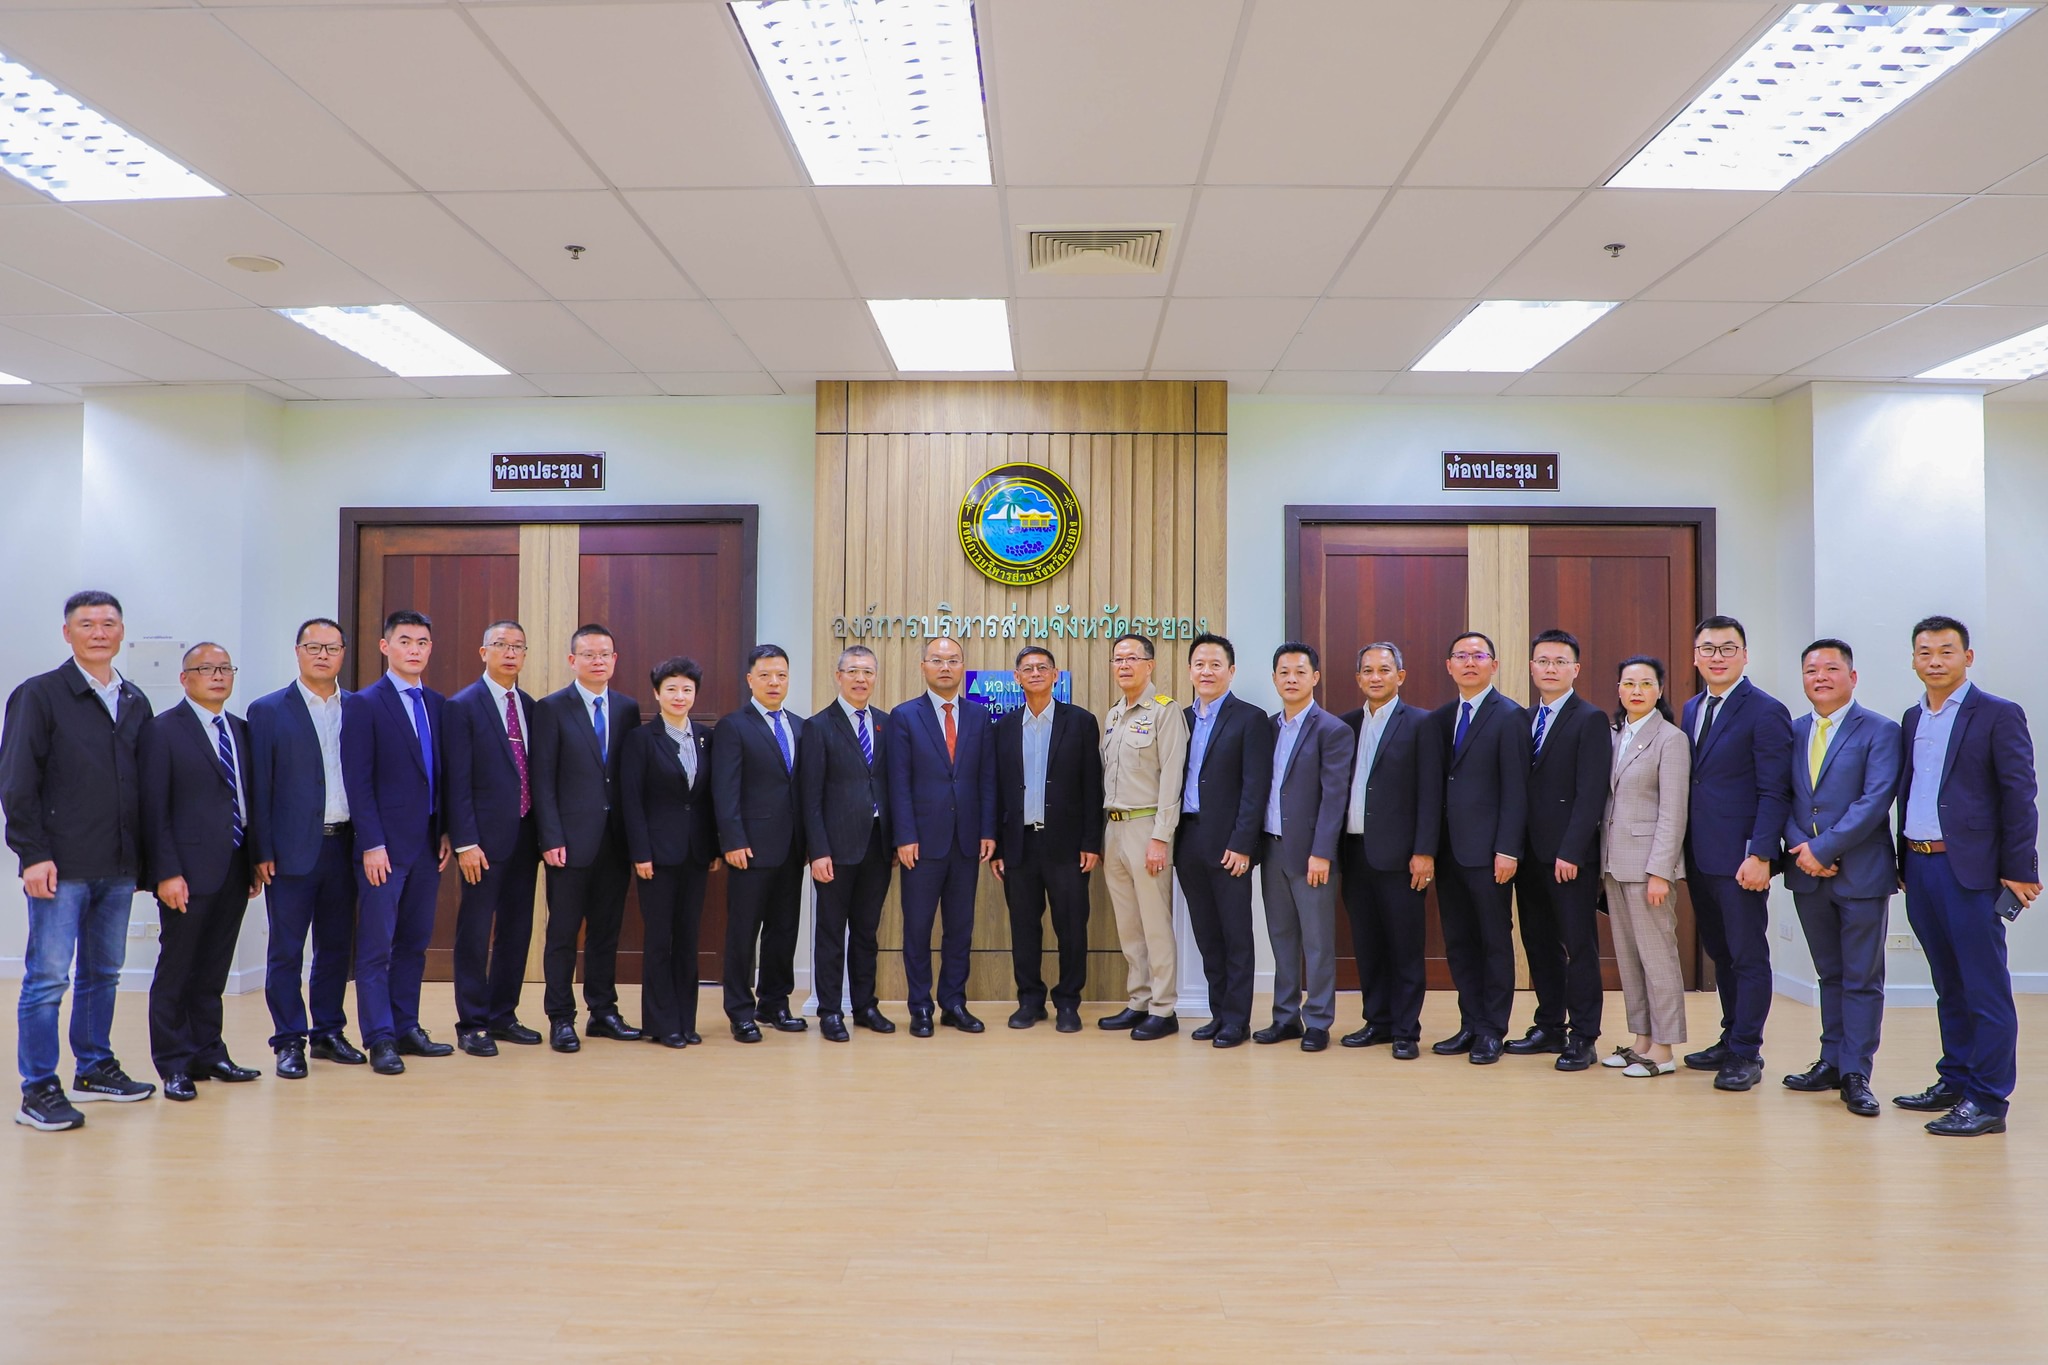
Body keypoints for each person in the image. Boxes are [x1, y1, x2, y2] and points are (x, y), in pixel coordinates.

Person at [2, 590, 157, 1131]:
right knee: (48, 978)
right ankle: (38, 1088)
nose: (98, 632)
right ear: (67, 633)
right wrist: (32, 854)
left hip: (118, 865)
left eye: (108, 623)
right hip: (60, 866)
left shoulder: (134, 699)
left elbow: (142, 784)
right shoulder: (40, 694)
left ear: (121, 632)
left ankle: (93, 1068)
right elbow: (17, 781)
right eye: (86, 624)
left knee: (103, 973)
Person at [1893, 616, 2040, 1137]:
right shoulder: (1913, 717)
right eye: (1925, 652)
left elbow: (2020, 795)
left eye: (1946, 651)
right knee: (1948, 983)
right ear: (1913, 659)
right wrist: (1903, 863)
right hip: (1920, 866)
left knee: (1984, 987)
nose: (1935, 661)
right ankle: (1955, 1079)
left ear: (1968, 657)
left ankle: (1988, 1099)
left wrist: (2019, 869)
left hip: (1972, 871)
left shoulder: (1998, 714)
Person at [1779, 639, 1901, 1118]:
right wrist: (1801, 848)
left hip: (1861, 873)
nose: (1821, 677)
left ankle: (1856, 1073)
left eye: (1831, 669)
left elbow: (1875, 800)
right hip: (1807, 872)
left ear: (1853, 677)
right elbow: (1782, 797)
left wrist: (1823, 849)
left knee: (1862, 977)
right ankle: (1830, 1061)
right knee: (1829, 973)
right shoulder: (1793, 731)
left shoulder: (1880, 731)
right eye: (1812, 670)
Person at [141, 643, 266, 1101]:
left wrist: (254, 858)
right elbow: (153, 809)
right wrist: (166, 872)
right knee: (178, 968)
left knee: (214, 968)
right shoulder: (162, 731)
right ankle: (174, 1063)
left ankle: (209, 1053)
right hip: (186, 872)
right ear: (185, 678)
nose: (217, 676)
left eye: (224, 668)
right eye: (206, 668)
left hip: (234, 864)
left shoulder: (241, 729)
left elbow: (249, 800)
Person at [1679, 614, 1793, 1093]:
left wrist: (1762, 854)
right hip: (1700, 855)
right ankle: (1730, 1037)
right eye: (1708, 648)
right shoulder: (1691, 708)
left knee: (1747, 955)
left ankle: (1747, 1052)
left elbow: (1775, 790)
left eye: (1728, 648)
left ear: (1745, 655)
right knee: (1721, 952)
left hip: (1743, 858)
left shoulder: (1766, 711)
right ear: (1695, 657)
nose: (1717, 657)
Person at [249, 618, 366, 1078]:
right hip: (290, 851)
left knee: (335, 948)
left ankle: (328, 1033)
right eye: (313, 647)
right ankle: (288, 1040)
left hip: (345, 846)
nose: (323, 655)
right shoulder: (268, 710)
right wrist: (260, 851)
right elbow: (258, 786)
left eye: (331, 648)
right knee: (286, 951)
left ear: (343, 654)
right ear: (297, 651)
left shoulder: (358, 708)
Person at [340, 609, 454, 1076]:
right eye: (405, 641)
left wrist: (446, 829)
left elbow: (441, 775)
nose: (414, 649)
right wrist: (371, 843)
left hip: (427, 845)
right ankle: (380, 1038)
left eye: (422, 642)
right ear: (385, 647)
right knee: (376, 948)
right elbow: (358, 780)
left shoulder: (438, 704)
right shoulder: (365, 704)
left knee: (414, 943)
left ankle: (407, 1026)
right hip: (383, 850)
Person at [532, 623, 644, 1051]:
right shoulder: (552, 708)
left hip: (614, 841)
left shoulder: (628, 708)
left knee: (606, 932)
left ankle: (603, 1012)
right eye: (589, 654)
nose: (598, 661)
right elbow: (543, 780)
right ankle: (561, 1017)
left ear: (615, 660)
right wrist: (550, 837)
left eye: (605, 654)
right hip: (568, 842)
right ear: (572, 660)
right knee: (562, 934)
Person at [1513, 629, 1613, 1071]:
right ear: (1531, 667)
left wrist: (1571, 851)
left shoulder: (1589, 719)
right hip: (1528, 854)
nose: (1549, 668)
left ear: (1575, 668)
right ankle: (1549, 1025)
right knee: (1538, 943)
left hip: (1569, 857)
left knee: (1579, 946)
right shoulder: (1522, 719)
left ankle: (1584, 1035)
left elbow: (1591, 793)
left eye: (1559, 661)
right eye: (1542, 661)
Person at [887, 636, 996, 1037]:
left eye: (952, 660)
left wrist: (987, 830)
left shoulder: (979, 716)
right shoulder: (904, 716)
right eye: (937, 660)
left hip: (966, 841)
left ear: (962, 666)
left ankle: (953, 1003)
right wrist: (904, 836)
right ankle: (920, 1007)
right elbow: (898, 782)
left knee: (960, 928)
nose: (945, 667)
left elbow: (987, 778)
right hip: (920, 843)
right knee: (917, 928)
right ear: (923, 667)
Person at [443, 620, 543, 1057]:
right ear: (483, 652)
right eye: (501, 645)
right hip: (482, 842)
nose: (510, 652)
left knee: (516, 930)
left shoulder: (530, 706)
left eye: (518, 646)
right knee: (475, 930)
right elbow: (456, 781)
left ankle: (504, 1014)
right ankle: (472, 1023)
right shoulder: (463, 705)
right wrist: (465, 842)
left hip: (525, 835)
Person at [1429, 631, 1530, 1066]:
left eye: (1479, 656)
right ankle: (1469, 1022)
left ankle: (1492, 1030)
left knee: (1493, 940)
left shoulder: (1509, 716)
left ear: (1495, 665)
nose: (1469, 663)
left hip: (1490, 853)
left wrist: (1508, 849)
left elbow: (1516, 790)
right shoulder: (1441, 718)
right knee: (1459, 941)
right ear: (1449, 665)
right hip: (1449, 851)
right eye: (1461, 656)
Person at [992, 646, 1103, 1034]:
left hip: (1068, 846)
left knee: (1071, 927)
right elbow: (996, 791)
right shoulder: (1003, 728)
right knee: (1024, 927)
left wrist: (1092, 842)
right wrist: (998, 846)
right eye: (1028, 668)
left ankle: (1068, 1002)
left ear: (1056, 675)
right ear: (1017, 678)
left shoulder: (1081, 722)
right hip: (1019, 845)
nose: (1036, 673)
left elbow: (1093, 786)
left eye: (1043, 667)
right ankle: (1030, 1000)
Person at [1336, 643, 1440, 1061]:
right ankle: (1377, 1021)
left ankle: (1405, 1030)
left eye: (1384, 669)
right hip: (1354, 852)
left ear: (1401, 675)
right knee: (1368, 943)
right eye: (1367, 670)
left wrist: (1424, 851)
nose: (1375, 677)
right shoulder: (1345, 725)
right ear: (1358, 678)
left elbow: (1430, 793)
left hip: (1401, 857)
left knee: (1405, 945)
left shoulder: (1421, 723)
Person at [1256, 643, 1353, 1053]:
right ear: (1274, 679)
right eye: (1284, 672)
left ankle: (1317, 1020)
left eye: (1299, 671)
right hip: (1271, 848)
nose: (1291, 679)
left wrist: (1323, 852)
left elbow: (1334, 798)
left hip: (1312, 853)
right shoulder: (1267, 727)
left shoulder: (1332, 730)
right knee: (1281, 938)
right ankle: (1285, 1017)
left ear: (1315, 677)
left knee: (1317, 942)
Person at [1176, 633, 1272, 1048]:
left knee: (1236, 936)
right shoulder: (1180, 718)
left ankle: (1237, 1020)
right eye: (1199, 664)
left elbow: (1255, 787)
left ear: (1231, 672)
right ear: (1189, 671)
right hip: (1188, 839)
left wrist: (1243, 843)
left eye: (1215, 664)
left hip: (1230, 844)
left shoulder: (1250, 718)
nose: (1207, 671)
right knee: (1207, 934)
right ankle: (1218, 1014)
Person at [1600, 656, 1691, 1079]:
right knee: (1630, 958)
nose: (1636, 691)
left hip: (1647, 867)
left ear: (1660, 690)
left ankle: (1665, 1049)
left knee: (1658, 958)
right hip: (1614, 863)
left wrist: (1660, 871)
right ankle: (1641, 1040)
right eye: (1628, 683)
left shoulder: (1670, 739)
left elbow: (1673, 811)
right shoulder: (1615, 734)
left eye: (1646, 683)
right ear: (1619, 689)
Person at [622, 657, 720, 1048]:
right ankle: (661, 1024)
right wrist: (640, 853)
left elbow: (709, 799)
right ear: (657, 693)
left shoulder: (706, 737)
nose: (680, 696)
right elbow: (632, 801)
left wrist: (713, 847)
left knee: (688, 938)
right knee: (659, 940)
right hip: (656, 856)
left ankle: (685, 1020)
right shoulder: (641, 739)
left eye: (687, 689)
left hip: (696, 854)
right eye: (672, 689)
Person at [713, 644, 807, 1042]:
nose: (774, 682)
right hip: (749, 849)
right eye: (765, 675)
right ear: (750, 679)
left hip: (792, 848)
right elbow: (725, 790)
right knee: (743, 933)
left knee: (783, 930)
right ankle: (740, 1010)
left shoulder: (800, 726)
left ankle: (774, 1003)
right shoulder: (734, 726)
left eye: (781, 675)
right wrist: (732, 840)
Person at [800, 646, 895, 1042]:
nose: (861, 678)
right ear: (838, 676)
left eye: (868, 672)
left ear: (875, 677)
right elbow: (809, 796)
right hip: (835, 850)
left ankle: (865, 1005)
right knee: (830, 933)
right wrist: (818, 850)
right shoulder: (818, 726)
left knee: (867, 932)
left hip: (877, 845)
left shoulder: (886, 724)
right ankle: (829, 1011)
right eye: (853, 671)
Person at [1097, 633, 1186, 1037]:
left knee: (1154, 924)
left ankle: (1164, 1008)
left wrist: (1161, 837)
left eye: (1132, 658)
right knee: (1129, 924)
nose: (1124, 665)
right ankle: (1139, 1000)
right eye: (1118, 659)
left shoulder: (1165, 711)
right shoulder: (1114, 714)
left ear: (1150, 665)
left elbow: (1172, 778)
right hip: (1114, 829)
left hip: (1147, 827)